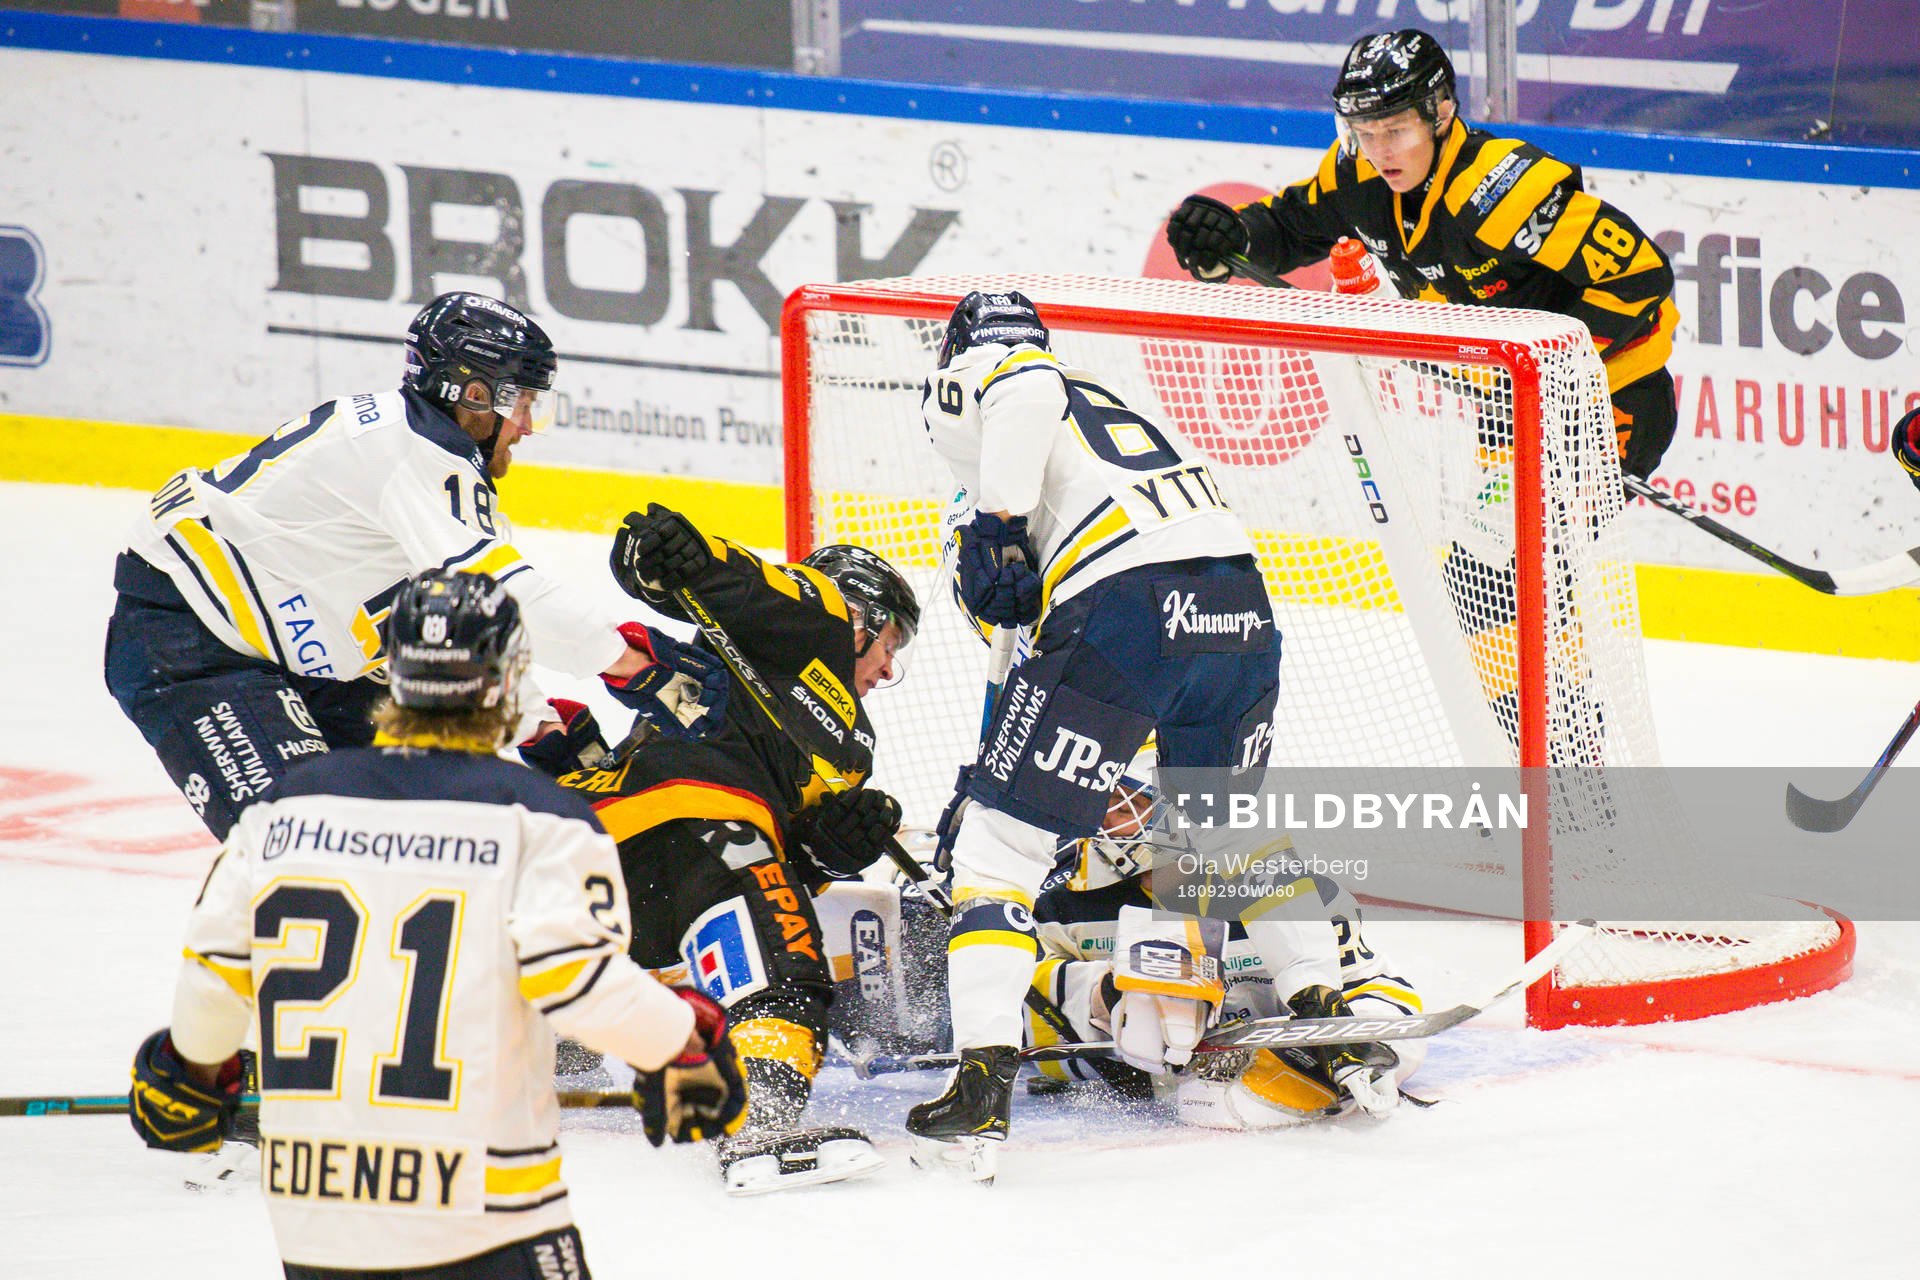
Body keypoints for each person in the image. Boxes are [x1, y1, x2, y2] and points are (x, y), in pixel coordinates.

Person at [126, 569, 746, 1280]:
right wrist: (683, 1045)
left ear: (390, 677)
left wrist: (194, 1074)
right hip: (483, 1214)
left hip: (313, 1220)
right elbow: (582, 985)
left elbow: (213, 986)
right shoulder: (540, 817)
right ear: (510, 681)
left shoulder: (285, 809)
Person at [105, 292, 726, 840]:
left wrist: (534, 724)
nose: (529, 427)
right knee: (299, 841)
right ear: (473, 394)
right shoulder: (416, 458)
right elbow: (511, 598)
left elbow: (465, 615)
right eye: (523, 403)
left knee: (420, 833)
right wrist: (632, 664)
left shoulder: (422, 454)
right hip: (191, 644)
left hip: (293, 647)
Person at [903, 291, 1285, 1180]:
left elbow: (1022, 383)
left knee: (996, 851)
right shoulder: (1104, 410)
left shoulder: (1003, 388)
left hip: (1126, 614)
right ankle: (1325, 1001)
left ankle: (981, 1085)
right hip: (1236, 599)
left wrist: (996, 526)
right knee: (1221, 831)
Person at [538, 505, 920, 1195]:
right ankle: (762, 1120)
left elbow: (792, 858)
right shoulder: (821, 619)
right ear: (861, 615)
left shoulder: (849, 751)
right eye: (891, 641)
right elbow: (743, 584)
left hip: (608, 854)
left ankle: (549, 1026)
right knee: (785, 962)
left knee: (755, 914)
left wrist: (829, 851)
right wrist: (687, 557)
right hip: (688, 819)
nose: (889, 669)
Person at [1164, 27, 1679, 485]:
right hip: (1511, 399)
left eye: (1395, 131)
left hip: (1611, 389)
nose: (1379, 150)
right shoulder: (1358, 177)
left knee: (1535, 563)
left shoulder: (1500, 192)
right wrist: (1233, 237)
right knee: (1485, 578)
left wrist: (1553, 372)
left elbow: (1640, 275)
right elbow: (1288, 227)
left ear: (1441, 111)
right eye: (1364, 133)